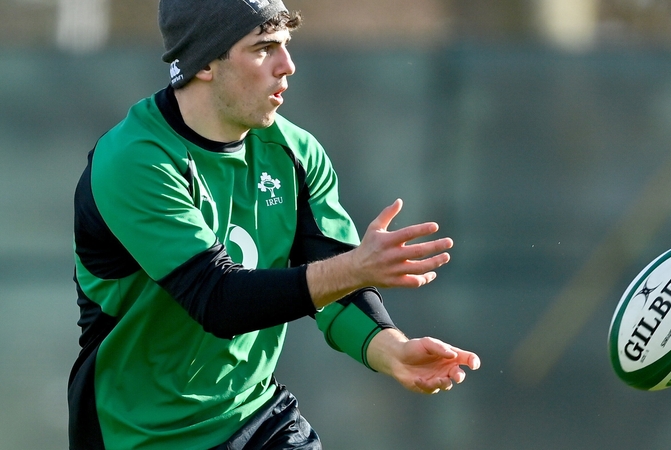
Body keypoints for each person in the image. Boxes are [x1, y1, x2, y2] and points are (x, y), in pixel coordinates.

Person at [68, 0, 480, 449]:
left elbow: (337, 285)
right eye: (264, 48)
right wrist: (355, 268)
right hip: (140, 435)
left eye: (285, 44)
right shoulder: (136, 158)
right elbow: (216, 299)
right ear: (205, 61)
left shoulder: (295, 153)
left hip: (257, 418)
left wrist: (393, 349)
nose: (287, 65)